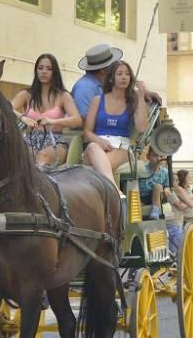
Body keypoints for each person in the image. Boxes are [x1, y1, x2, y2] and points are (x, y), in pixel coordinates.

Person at [82, 60, 148, 191]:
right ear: (111, 78)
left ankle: (112, 192)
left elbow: (141, 127)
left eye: (127, 74)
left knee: (100, 165)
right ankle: (115, 191)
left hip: (121, 148)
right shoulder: (97, 100)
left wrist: (141, 97)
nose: (124, 77)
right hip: (98, 144)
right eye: (119, 74)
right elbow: (87, 132)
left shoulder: (132, 102)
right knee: (93, 147)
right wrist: (99, 140)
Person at [10, 54, 82, 166]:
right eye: (40, 68)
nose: (44, 71)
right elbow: (6, 107)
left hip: (55, 139)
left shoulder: (63, 95)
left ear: (55, 72)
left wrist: (53, 121)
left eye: (49, 69)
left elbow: (77, 120)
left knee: (44, 157)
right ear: (36, 71)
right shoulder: (26, 94)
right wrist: (22, 117)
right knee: (22, 158)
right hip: (30, 139)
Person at [72, 44, 124, 119]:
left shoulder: (101, 84)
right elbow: (84, 118)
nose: (116, 67)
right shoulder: (85, 87)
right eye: (113, 65)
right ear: (103, 70)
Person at [138, 148, 171, 220]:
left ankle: (155, 211)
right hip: (141, 197)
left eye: (161, 156)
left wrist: (167, 190)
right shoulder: (141, 169)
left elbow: (166, 186)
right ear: (148, 156)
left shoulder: (165, 172)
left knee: (158, 186)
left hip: (157, 197)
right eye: (155, 156)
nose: (158, 158)